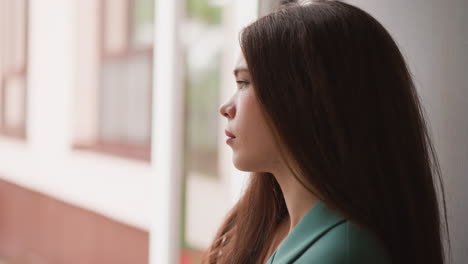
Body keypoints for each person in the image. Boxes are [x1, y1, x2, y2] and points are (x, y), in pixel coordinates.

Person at [206, 0, 450, 263]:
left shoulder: (341, 253)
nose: (226, 107)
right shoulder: (268, 225)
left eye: (244, 83)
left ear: (304, 98)